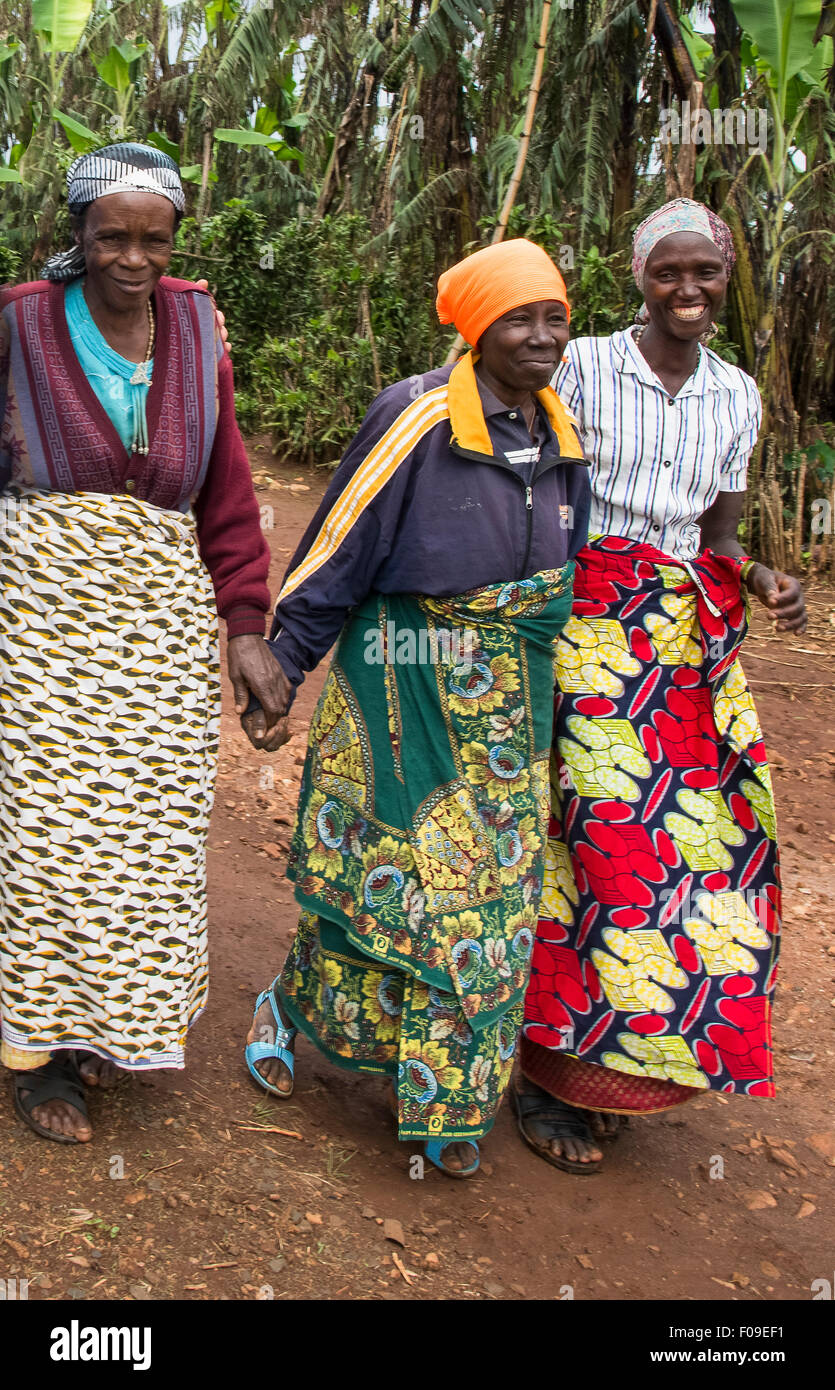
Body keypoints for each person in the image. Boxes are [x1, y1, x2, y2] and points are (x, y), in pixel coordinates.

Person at [244, 238, 591, 1176]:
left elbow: (570, 575)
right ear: (476, 328)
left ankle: (448, 1100)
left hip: (509, 709)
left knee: (495, 905)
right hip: (406, 681)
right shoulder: (418, 416)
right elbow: (336, 547)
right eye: (519, 318)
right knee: (391, 883)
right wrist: (283, 661)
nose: (541, 336)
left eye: (554, 315)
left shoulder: (562, 432)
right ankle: (288, 1004)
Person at [509, 198, 806, 1172]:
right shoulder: (583, 363)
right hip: (587, 618)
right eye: (667, 271)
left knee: (702, 851)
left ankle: (621, 1064)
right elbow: (535, 483)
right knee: (599, 837)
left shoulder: (735, 394)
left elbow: (716, 536)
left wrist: (760, 574)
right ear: (638, 276)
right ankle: (544, 1072)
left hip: (681, 640)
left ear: (725, 276)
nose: (687, 289)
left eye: (704, 272)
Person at [0, 143, 286, 1142]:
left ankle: (104, 1031)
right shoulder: (20, 324)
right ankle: (40, 1057)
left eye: (152, 239)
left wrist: (245, 627)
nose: (132, 257)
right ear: (77, 233)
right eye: (111, 236)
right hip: (35, 621)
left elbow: (228, 493)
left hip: (155, 631)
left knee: (144, 837)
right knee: (44, 835)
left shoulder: (197, 333)